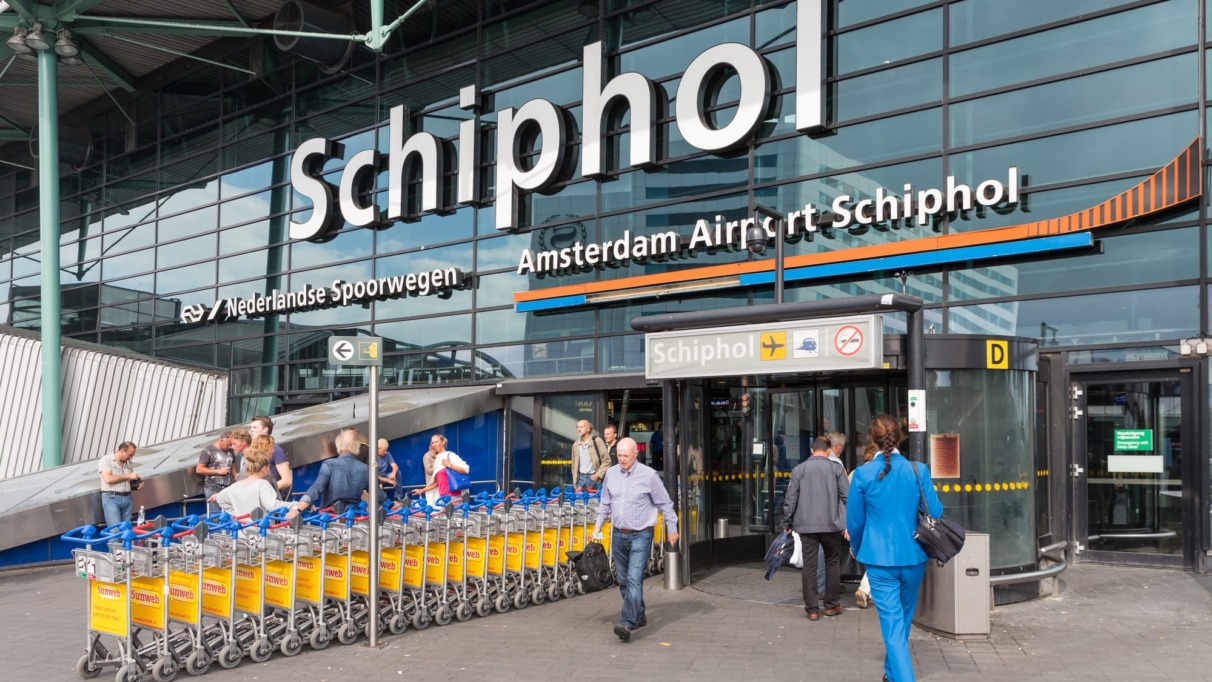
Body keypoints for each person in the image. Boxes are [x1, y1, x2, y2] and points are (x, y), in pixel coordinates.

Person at [847, 415, 943, 682]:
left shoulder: (863, 473)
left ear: (871, 438)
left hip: (878, 559)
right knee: (901, 622)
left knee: (892, 627)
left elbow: (855, 521)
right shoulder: (918, 470)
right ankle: (891, 674)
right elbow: (935, 510)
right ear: (899, 437)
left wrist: (855, 546)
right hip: (914, 556)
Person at [592, 437, 679, 643]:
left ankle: (626, 622)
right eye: (619, 455)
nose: (621, 459)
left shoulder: (648, 476)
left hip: (641, 533)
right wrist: (596, 527)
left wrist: (672, 528)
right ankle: (639, 615)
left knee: (633, 578)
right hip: (618, 534)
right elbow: (605, 504)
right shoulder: (611, 475)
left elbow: (665, 503)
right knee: (623, 579)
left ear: (635, 454)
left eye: (625, 456)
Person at [783, 436, 848, 621]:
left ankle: (812, 609)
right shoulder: (836, 469)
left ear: (812, 450)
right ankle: (831, 605)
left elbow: (790, 499)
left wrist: (787, 523)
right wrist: (848, 523)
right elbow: (848, 497)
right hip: (831, 525)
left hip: (806, 525)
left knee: (809, 566)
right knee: (832, 563)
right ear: (828, 451)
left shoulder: (799, 470)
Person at [210, 436, 300, 521]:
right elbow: (272, 505)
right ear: (264, 468)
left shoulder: (235, 486)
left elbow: (221, 499)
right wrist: (297, 505)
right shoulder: (262, 484)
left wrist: (238, 513)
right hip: (261, 530)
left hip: (242, 530)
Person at [296, 430, 370, 512]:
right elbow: (378, 494)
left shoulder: (329, 464)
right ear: (357, 445)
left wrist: (297, 509)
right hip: (354, 516)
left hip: (330, 517)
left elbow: (316, 488)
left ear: (338, 444)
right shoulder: (366, 468)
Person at [853, 438, 879, 609]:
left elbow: (854, 509)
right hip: (885, 526)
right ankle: (865, 588)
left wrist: (854, 543)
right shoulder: (885, 471)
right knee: (879, 561)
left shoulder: (859, 473)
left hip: (868, 525)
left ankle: (867, 589)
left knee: (876, 560)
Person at [247, 415, 292, 499]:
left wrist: (265, 490)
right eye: (251, 427)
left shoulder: (276, 450)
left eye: (255, 427)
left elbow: (287, 480)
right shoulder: (252, 450)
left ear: (265, 430)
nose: (251, 430)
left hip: (269, 499)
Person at [98, 442, 140, 527]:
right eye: (130, 455)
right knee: (115, 531)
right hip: (112, 498)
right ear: (122, 451)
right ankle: (114, 541)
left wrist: (137, 484)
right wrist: (129, 475)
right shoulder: (106, 460)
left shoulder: (129, 462)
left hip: (127, 497)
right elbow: (108, 479)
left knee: (126, 529)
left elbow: (127, 479)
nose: (131, 457)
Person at [422, 434, 468, 507]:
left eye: (436, 442)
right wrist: (422, 490)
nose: (434, 444)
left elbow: (465, 470)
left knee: (454, 517)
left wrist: (449, 465)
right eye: (432, 443)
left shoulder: (450, 455)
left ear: (443, 442)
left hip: (454, 496)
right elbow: (437, 482)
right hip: (442, 497)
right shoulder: (438, 459)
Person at [197, 431, 235, 513]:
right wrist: (217, 471)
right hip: (212, 487)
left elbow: (233, 468)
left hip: (227, 487)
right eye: (228, 444)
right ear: (221, 440)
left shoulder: (231, 451)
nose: (229, 447)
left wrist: (236, 475)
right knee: (216, 515)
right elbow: (199, 469)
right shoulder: (208, 450)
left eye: (231, 444)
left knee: (228, 514)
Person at [571, 419, 609, 489]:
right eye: (577, 427)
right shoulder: (575, 445)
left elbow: (607, 461)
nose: (579, 429)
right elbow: (574, 466)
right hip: (581, 478)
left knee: (594, 500)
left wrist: (597, 475)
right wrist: (575, 483)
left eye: (581, 427)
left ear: (588, 429)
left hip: (594, 478)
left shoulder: (597, 441)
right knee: (578, 499)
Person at [375, 438, 399, 505]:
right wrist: (388, 481)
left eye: (386, 450)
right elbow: (374, 475)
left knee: (398, 473)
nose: (385, 452)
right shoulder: (372, 456)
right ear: (378, 449)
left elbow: (395, 465)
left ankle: (397, 496)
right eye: (383, 451)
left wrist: (393, 472)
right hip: (376, 479)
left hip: (384, 476)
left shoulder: (387, 454)